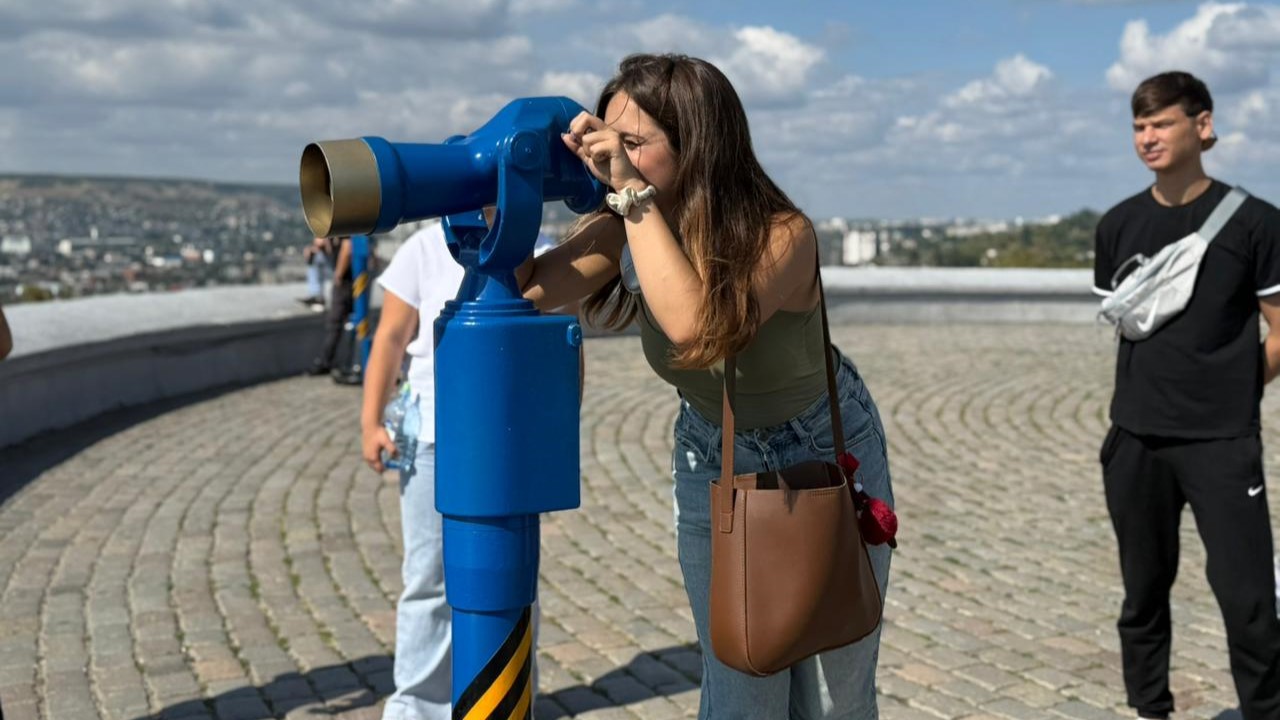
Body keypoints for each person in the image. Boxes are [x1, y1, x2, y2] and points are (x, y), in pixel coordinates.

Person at [516, 53, 894, 719]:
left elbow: (698, 329)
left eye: (632, 142)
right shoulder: (630, 224)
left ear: (697, 147)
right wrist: (513, 188)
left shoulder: (784, 235)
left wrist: (630, 195)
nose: (610, 156)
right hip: (713, 455)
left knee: (840, 689)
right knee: (742, 680)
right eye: (607, 139)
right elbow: (530, 290)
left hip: (820, 452)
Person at [1092, 71, 1280, 720]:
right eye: (1139, 126)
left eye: (1162, 123)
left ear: (1202, 126)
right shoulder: (1117, 225)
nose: (1147, 137)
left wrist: (1233, 385)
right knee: (1143, 596)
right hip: (1135, 439)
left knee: (1249, 599)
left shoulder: (1257, 223)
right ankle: (1151, 710)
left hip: (1223, 442)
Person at [361, 220, 466, 719]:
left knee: (511, 575)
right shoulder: (422, 249)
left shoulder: (541, 248)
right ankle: (417, 708)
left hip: (508, 446)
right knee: (428, 575)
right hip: (431, 439)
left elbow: (563, 344)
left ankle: (506, 697)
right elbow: (389, 339)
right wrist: (371, 423)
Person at [308, 235, 354, 377]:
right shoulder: (334, 237)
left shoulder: (343, 231)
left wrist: (338, 275)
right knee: (343, 322)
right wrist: (321, 246)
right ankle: (340, 361)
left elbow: (347, 248)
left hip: (347, 281)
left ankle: (326, 361)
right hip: (348, 280)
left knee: (336, 322)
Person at [299, 236, 330, 310]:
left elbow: (321, 243)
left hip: (319, 293)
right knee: (314, 274)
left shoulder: (322, 252)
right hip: (315, 291)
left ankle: (317, 299)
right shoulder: (314, 252)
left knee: (317, 277)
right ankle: (315, 298)